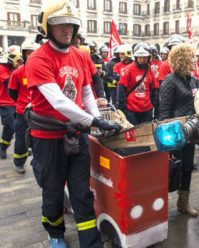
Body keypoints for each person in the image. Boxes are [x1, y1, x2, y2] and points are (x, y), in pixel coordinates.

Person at [26, 1, 120, 247]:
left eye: (71, 25)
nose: (67, 30)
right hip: (49, 139)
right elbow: (58, 101)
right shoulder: (38, 59)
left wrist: (98, 120)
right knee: (53, 192)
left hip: (77, 136)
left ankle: (91, 242)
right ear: (47, 28)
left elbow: (86, 91)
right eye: (60, 25)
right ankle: (55, 233)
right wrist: (93, 121)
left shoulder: (80, 55)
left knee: (82, 193)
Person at [159, 44, 199, 217]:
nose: (195, 60)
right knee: (172, 169)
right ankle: (160, 205)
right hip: (174, 134)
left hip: (192, 131)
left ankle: (183, 202)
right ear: (182, 59)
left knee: (188, 167)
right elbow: (164, 112)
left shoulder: (194, 80)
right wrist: (167, 142)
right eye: (191, 57)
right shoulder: (169, 81)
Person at [8, 40, 39, 173]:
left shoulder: (42, 71)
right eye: (28, 53)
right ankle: (19, 162)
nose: (31, 56)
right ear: (24, 54)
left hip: (39, 112)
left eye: (34, 53)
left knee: (39, 139)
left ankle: (38, 161)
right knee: (21, 138)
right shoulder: (18, 73)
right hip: (22, 112)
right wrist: (23, 103)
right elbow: (12, 92)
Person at [118, 43, 158, 125]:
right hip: (131, 109)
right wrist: (124, 109)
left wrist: (154, 104)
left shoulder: (150, 70)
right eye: (140, 57)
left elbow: (155, 88)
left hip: (147, 109)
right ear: (136, 57)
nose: (142, 60)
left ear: (148, 57)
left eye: (144, 57)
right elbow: (121, 90)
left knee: (147, 133)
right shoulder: (128, 69)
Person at [0, 49, 23, 159]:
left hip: (16, 103)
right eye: (18, 61)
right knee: (10, 126)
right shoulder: (2, 69)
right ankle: (3, 146)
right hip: (5, 103)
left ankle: (23, 148)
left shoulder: (14, 70)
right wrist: (19, 71)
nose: (20, 63)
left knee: (20, 128)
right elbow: (9, 83)